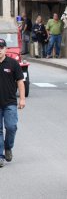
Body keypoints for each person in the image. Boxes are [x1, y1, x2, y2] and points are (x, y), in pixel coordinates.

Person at [0, 38, 25, 168]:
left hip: (10, 102)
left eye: (1, 47)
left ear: (5, 49)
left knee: (11, 127)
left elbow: (20, 82)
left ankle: (8, 147)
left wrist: (22, 99)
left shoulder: (13, 63)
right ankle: (0, 156)